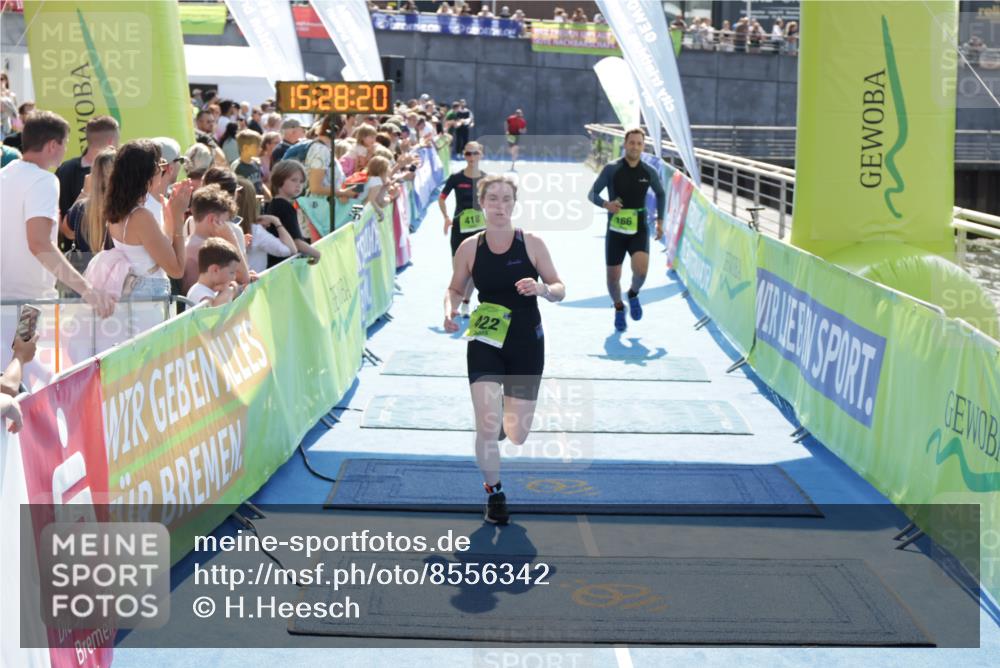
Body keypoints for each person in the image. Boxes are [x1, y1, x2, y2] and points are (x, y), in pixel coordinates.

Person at [443, 175, 566, 525]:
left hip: (526, 340)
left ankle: (500, 411)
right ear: (482, 203)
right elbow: (454, 288)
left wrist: (542, 289)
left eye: (506, 199)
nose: (499, 206)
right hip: (485, 339)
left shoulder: (531, 243)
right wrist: (449, 309)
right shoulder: (469, 248)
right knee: (486, 425)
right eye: (493, 199)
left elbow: (560, 288)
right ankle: (494, 493)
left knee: (516, 434)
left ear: (514, 204)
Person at [1, 111, 116, 343]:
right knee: (25, 371)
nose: (66, 150)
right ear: (53, 145)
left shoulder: (5, 175)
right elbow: (40, 243)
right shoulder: (45, 180)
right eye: (65, 144)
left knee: (13, 372)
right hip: (29, 306)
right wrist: (87, 290)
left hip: (10, 303)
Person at [587, 127, 665, 332]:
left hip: (639, 227)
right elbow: (592, 194)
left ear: (643, 146)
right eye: (632, 142)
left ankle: (632, 293)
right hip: (615, 231)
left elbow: (661, 194)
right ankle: (619, 307)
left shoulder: (649, 171)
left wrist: (660, 221)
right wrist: (607, 205)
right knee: (613, 278)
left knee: (641, 272)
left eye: (639, 143)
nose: (635, 147)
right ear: (625, 144)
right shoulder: (612, 169)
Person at [105, 140, 195, 296]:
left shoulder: (119, 207)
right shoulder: (141, 216)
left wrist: (170, 217)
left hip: (137, 299)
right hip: (147, 305)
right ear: (147, 174)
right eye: (159, 166)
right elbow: (177, 269)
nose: (162, 170)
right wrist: (178, 216)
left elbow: (156, 247)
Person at [439, 141, 486, 316]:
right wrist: (446, 217)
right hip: (459, 229)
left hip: (479, 230)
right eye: (468, 154)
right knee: (459, 270)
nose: (471, 157)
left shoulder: (486, 179)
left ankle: (466, 302)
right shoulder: (456, 178)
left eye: (475, 153)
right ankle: (455, 302)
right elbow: (442, 197)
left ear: (481, 154)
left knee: (475, 270)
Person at [56, 115, 120, 240]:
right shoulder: (119, 172)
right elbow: (67, 230)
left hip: (79, 255)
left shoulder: (64, 169)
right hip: (91, 254)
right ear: (111, 142)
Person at [181, 183, 251, 294]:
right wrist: (231, 237)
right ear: (212, 219)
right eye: (224, 221)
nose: (226, 225)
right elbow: (244, 278)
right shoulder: (201, 248)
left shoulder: (194, 244)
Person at [64, 146, 116, 271]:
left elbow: (67, 232)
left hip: (85, 280)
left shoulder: (81, 207)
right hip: (116, 281)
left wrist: (84, 192)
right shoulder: (126, 209)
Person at [265, 160, 321, 266]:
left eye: (301, 181)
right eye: (294, 180)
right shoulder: (284, 206)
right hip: (282, 265)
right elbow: (296, 242)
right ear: (279, 180)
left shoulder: (275, 203)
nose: (298, 185)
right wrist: (316, 253)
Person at [237, 176, 296, 273]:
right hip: (251, 284)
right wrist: (276, 222)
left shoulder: (220, 225)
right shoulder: (255, 231)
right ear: (251, 203)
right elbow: (290, 250)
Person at [186, 237, 243, 307]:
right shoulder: (201, 295)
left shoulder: (214, 289)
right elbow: (215, 314)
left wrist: (246, 283)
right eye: (231, 272)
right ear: (215, 270)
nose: (234, 277)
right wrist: (227, 292)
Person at [231, 129, 267, 196]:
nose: (260, 148)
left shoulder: (256, 163)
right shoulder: (237, 167)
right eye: (257, 146)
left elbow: (260, 183)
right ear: (245, 148)